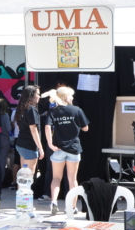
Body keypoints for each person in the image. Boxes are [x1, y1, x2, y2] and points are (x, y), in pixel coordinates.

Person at [45, 87, 90, 215]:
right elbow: (86, 128)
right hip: (74, 149)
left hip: (58, 149)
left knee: (56, 178)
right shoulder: (76, 110)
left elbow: (47, 127)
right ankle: (72, 207)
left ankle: (54, 202)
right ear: (65, 97)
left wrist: (50, 144)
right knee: (72, 179)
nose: (73, 98)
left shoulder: (53, 111)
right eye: (71, 96)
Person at [13, 85, 45, 175]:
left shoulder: (21, 108)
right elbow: (34, 131)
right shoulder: (31, 109)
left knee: (23, 175)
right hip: (29, 145)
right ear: (32, 95)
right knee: (28, 176)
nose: (39, 96)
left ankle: (20, 189)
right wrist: (41, 149)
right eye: (38, 94)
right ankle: (24, 189)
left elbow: (19, 126)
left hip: (21, 143)